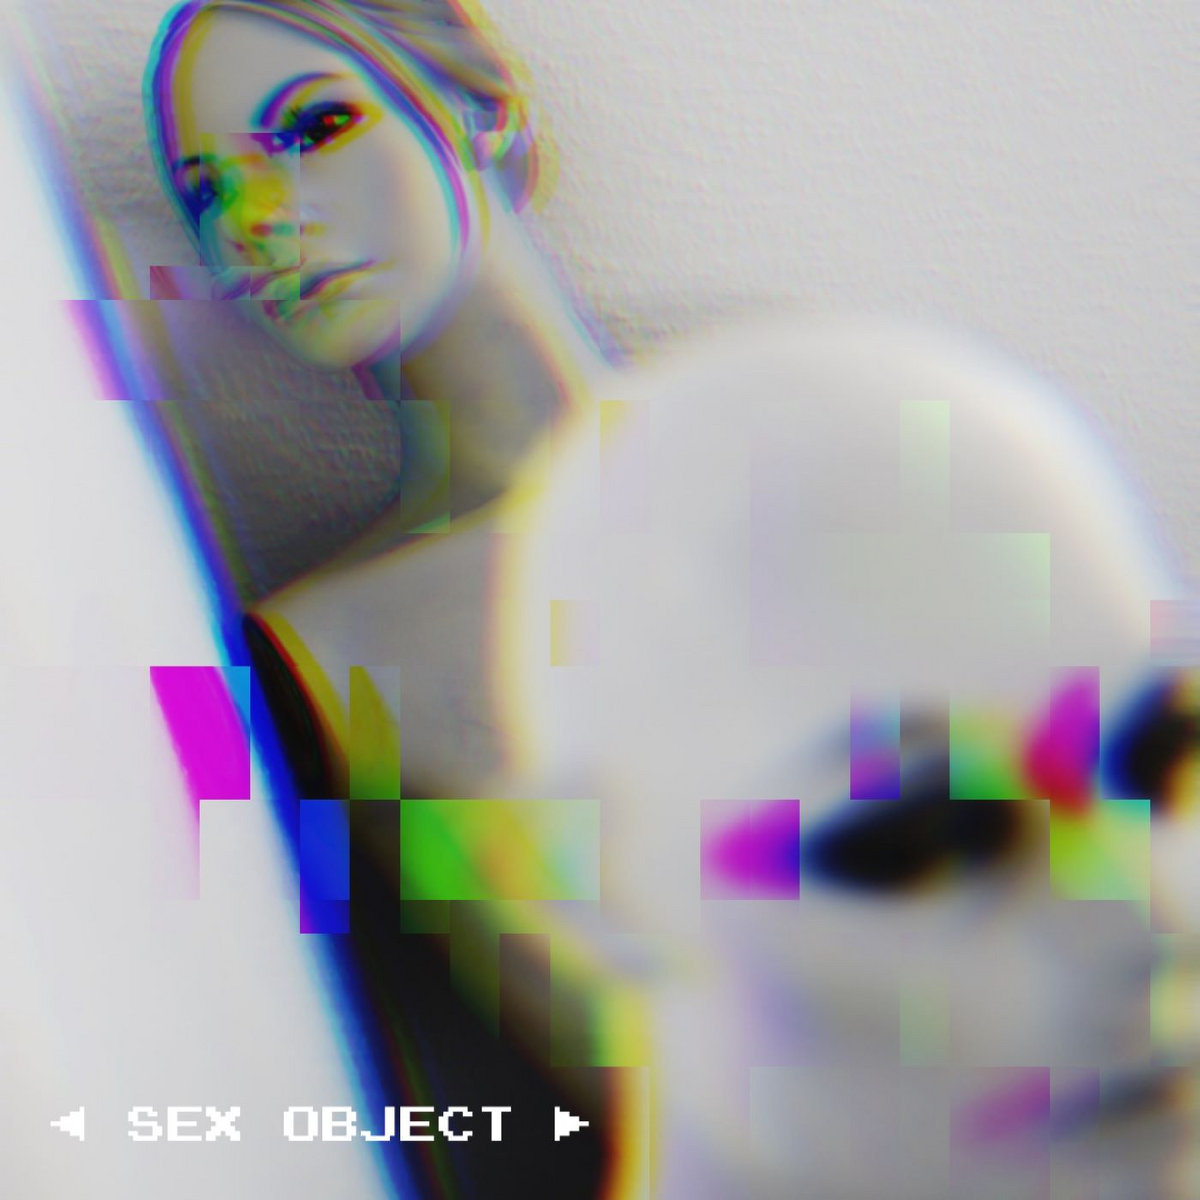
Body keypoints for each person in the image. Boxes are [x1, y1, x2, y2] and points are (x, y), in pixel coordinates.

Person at [146, 3, 1200, 1197]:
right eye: (207, 194)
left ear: (479, 108)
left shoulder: (856, 442)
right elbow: (489, 1082)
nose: (259, 222)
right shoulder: (319, 656)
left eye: (315, 129)